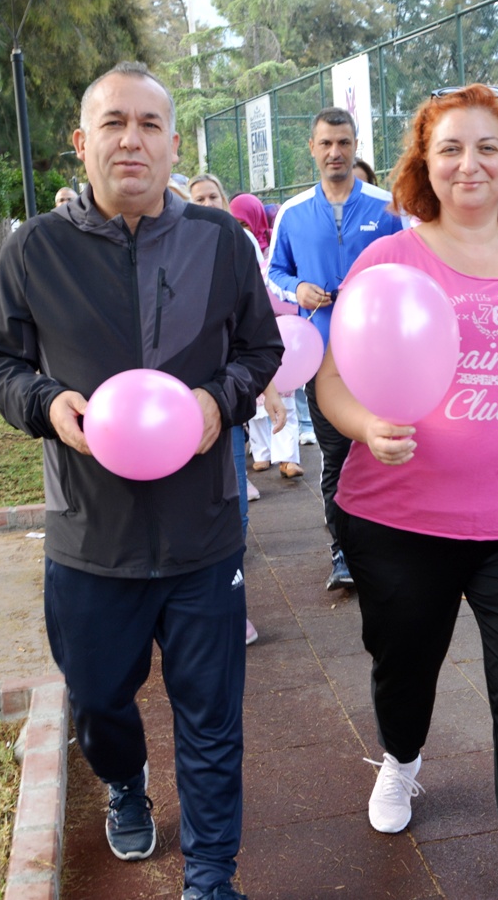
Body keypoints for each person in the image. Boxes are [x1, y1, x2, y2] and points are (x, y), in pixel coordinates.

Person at [0, 61, 281, 900]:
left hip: (202, 530)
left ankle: (212, 877)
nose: (132, 140)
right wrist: (44, 402)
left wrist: (220, 404)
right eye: (114, 123)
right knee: (100, 701)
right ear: (83, 142)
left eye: (150, 124)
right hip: (88, 536)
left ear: (174, 143)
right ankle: (125, 780)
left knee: (212, 719)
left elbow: (263, 350)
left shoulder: (220, 242)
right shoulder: (35, 249)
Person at [316, 83, 498, 900]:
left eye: (486, 147)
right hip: (401, 522)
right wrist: (365, 425)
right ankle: (401, 760)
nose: (469, 163)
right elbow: (332, 383)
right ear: (424, 166)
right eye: (449, 149)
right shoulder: (387, 261)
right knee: (405, 668)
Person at [267, 107, 405, 592]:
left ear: (356, 145)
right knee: (338, 454)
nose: (335, 153)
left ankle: (389, 549)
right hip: (321, 359)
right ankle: (343, 553)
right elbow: (273, 273)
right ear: (312, 147)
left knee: (386, 448)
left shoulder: (388, 207)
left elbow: (412, 268)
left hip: (380, 357)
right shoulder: (293, 212)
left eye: (344, 143)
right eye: (326, 143)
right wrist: (298, 288)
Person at [188, 170, 287, 644]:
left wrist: (266, 391)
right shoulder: (179, 248)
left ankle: (232, 603)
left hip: (224, 403)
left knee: (234, 511)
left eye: (213, 196)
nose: (206, 202)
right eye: (198, 197)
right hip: (170, 408)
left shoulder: (235, 244)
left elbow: (257, 333)